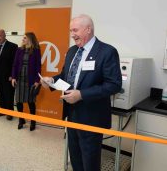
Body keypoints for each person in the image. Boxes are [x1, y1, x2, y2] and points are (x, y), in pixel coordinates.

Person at [41, 14, 122, 171]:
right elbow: (65, 76)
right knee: (76, 159)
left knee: (90, 163)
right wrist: (51, 81)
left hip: (92, 117)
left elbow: (114, 85)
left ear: (88, 29)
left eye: (75, 30)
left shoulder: (107, 52)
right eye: (71, 30)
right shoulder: (72, 51)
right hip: (71, 114)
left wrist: (81, 94)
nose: (72, 34)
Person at [11, 32, 41, 131]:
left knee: (31, 102)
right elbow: (15, 64)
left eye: (24, 38)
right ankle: (21, 120)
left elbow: (38, 66)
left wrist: (37, 80)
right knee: (19, 101)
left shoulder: (36, 51)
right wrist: (13, 77)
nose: (22, 39)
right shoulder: (19, 50)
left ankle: (33, 121)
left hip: (31, 80)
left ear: (30, 39)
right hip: (20, 79)